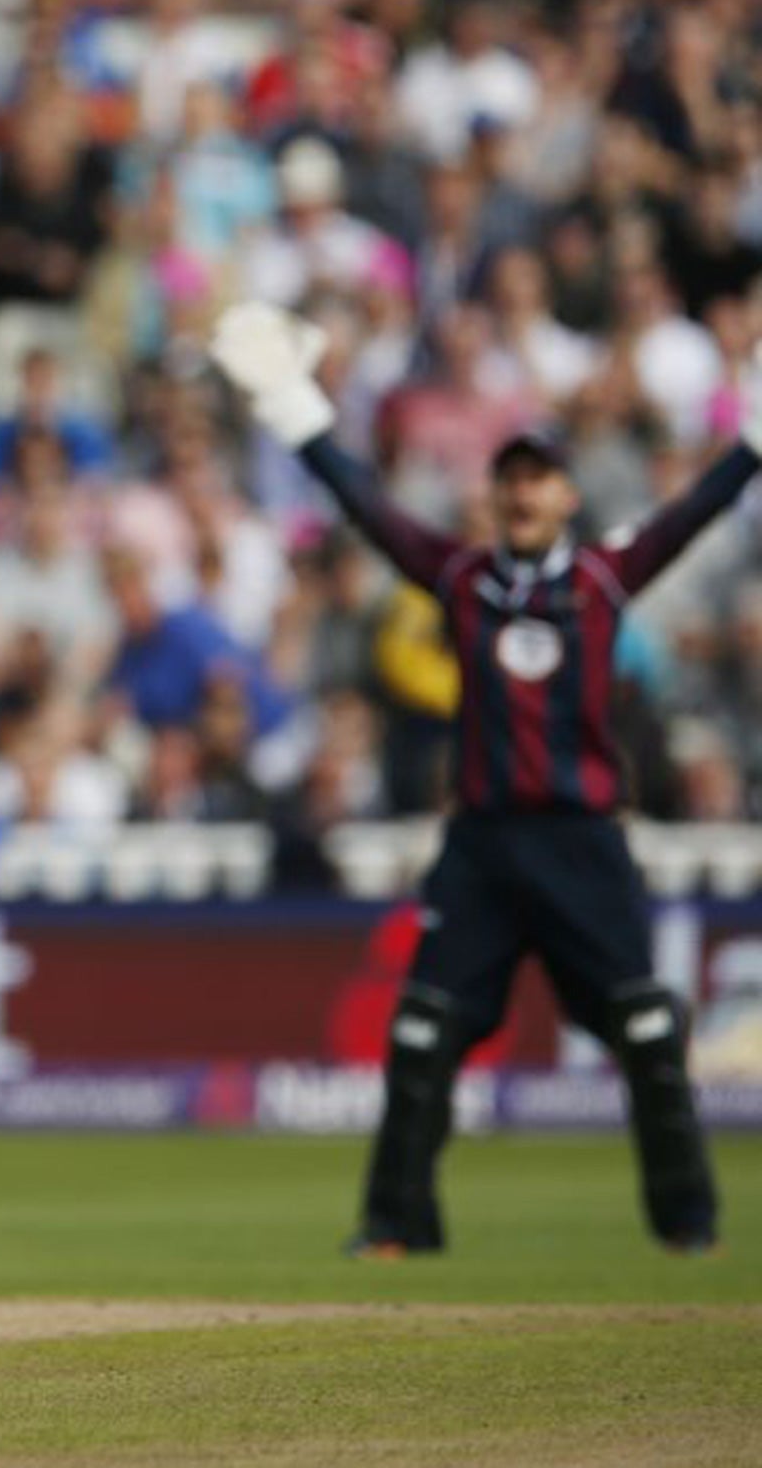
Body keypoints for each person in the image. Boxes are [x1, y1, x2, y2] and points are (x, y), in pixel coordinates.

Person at [211, 301, 743, 1258]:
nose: (526, 493)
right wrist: (296, 410)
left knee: (650, 1037)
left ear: (569, 496)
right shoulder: (461, 579)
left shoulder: (602, 580)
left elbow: (692, 515)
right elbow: (368, 510)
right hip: (485, 847)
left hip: (583, 843)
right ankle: (394, 1227)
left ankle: (689, 1228)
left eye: (541, 479)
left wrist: (750, 445)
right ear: (497, 495)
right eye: (513, 479)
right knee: (421, 1038)